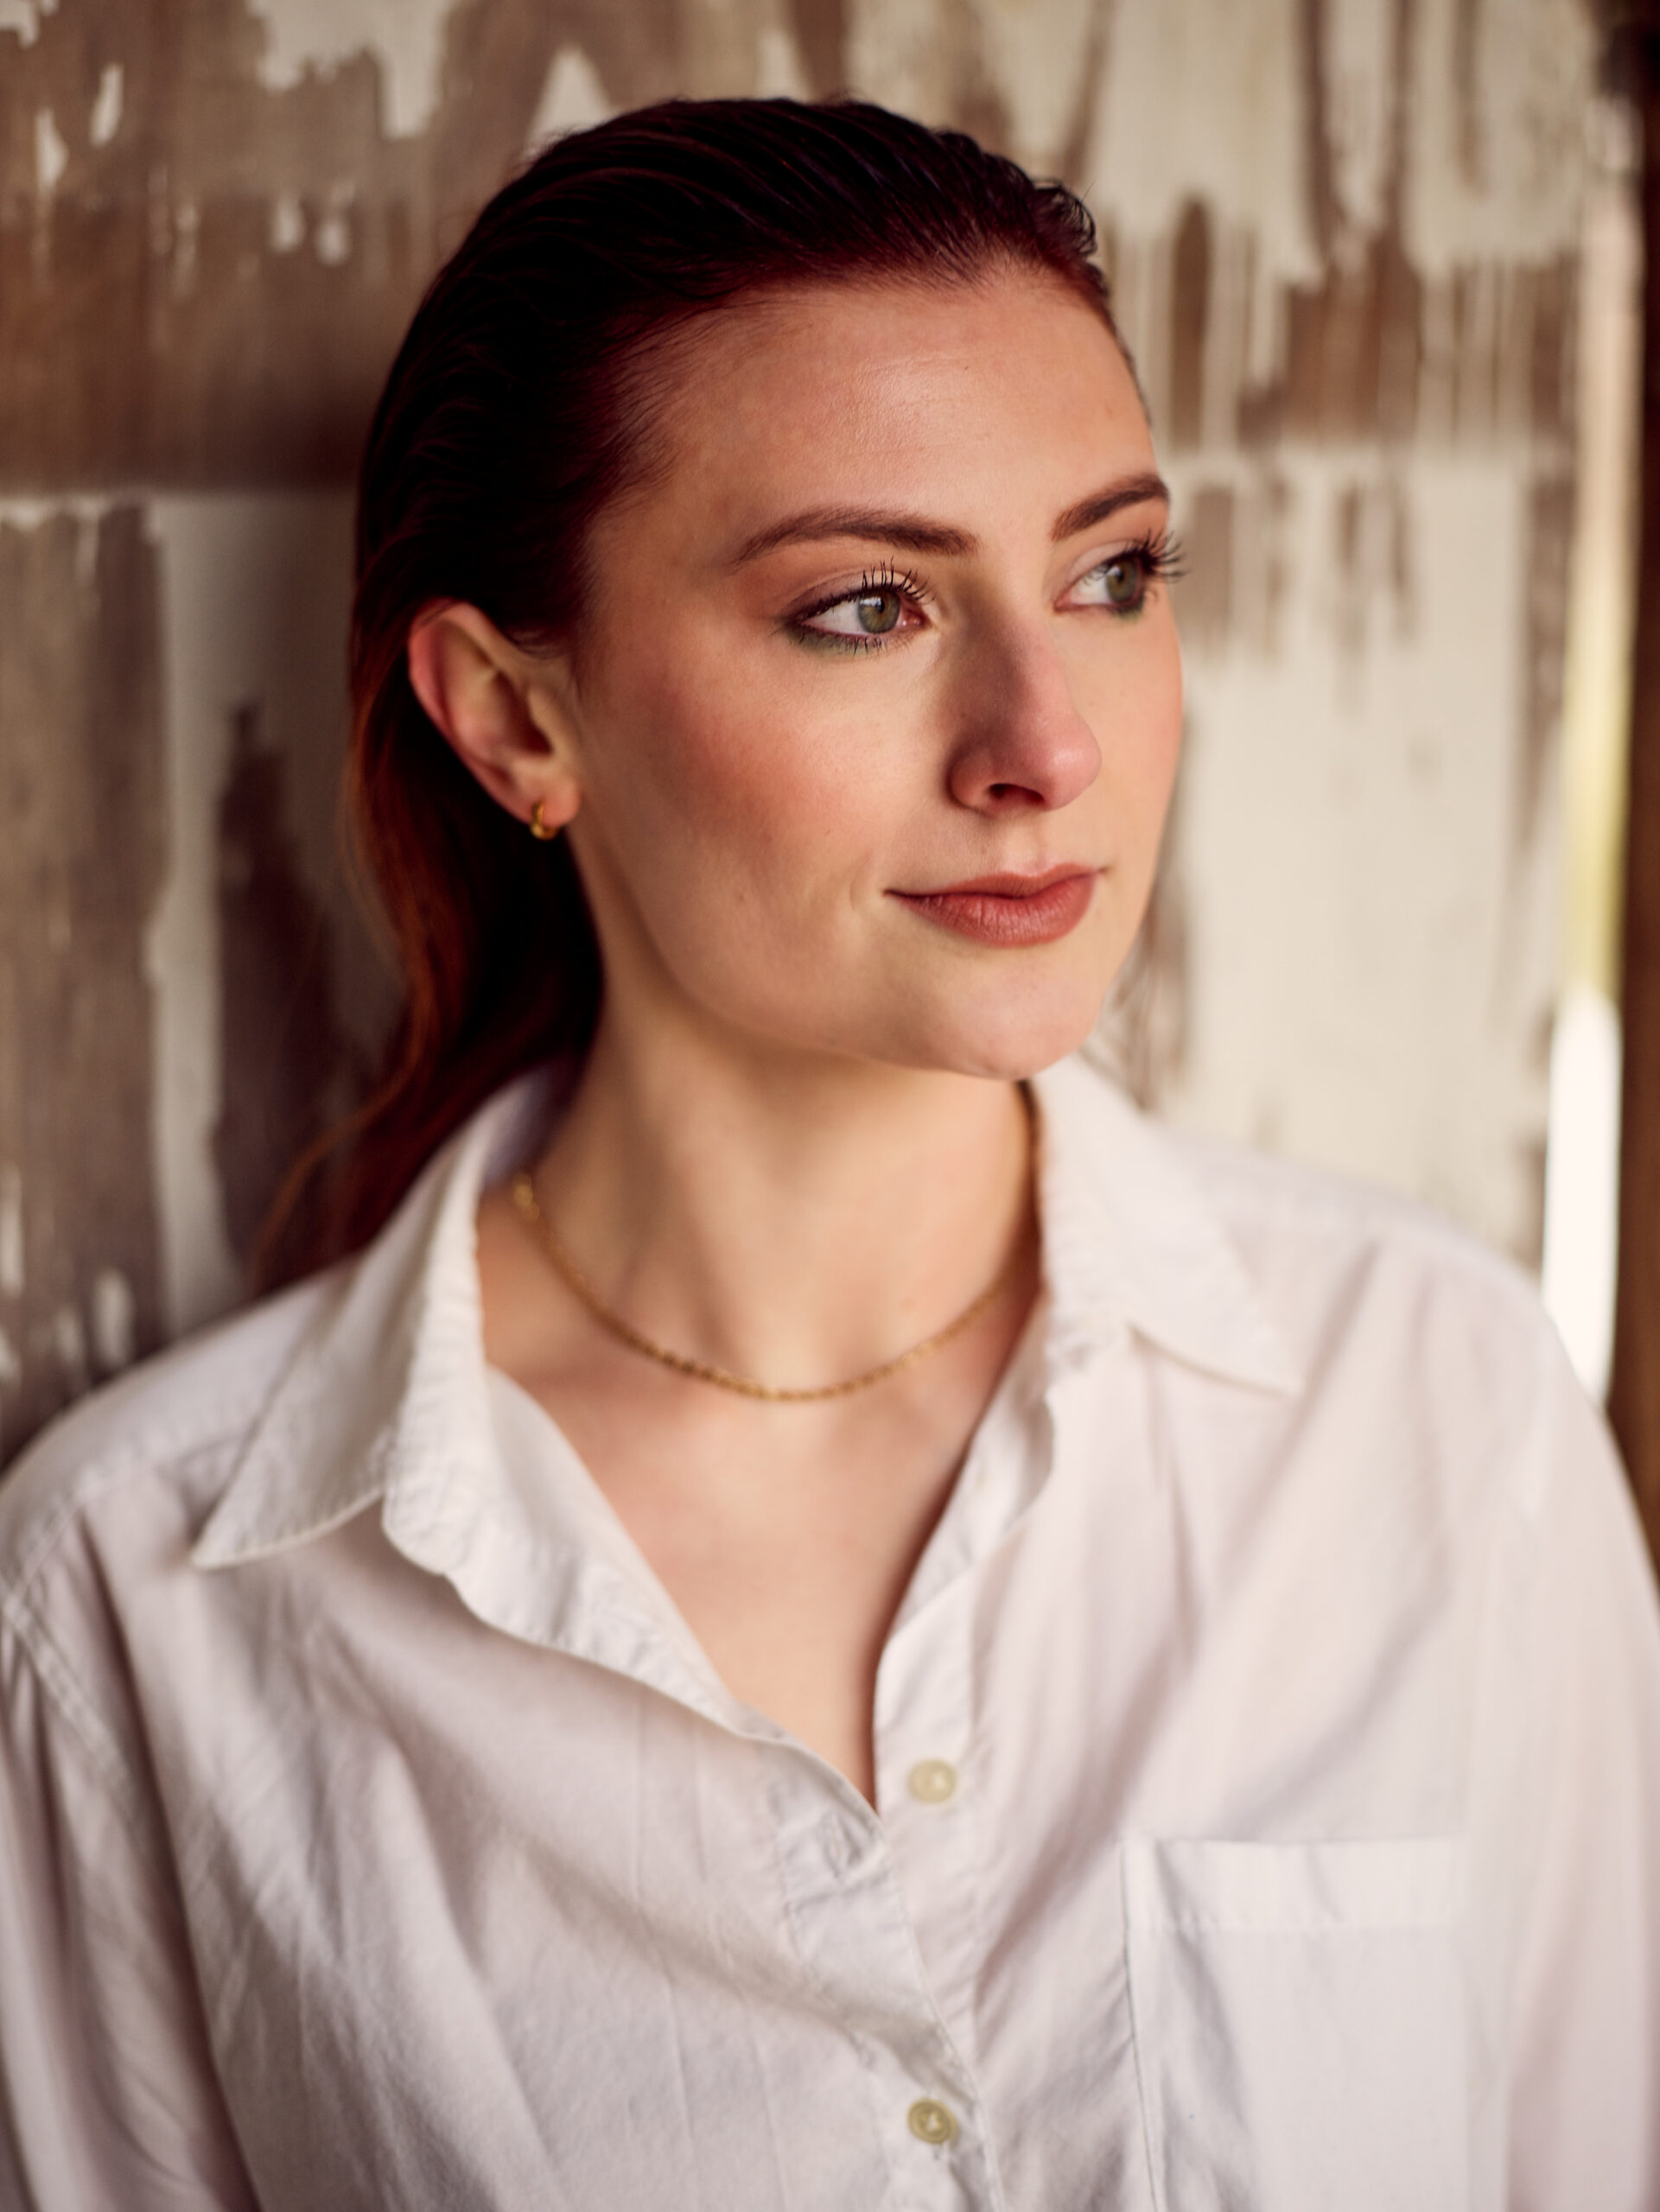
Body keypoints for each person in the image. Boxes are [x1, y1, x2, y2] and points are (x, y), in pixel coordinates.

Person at [2, 97, 1657, 2212]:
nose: (1046, 746)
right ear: (516, 715)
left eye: (1113, 572)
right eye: (868, 606)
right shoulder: (147, 1606)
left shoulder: (1434, 1408)